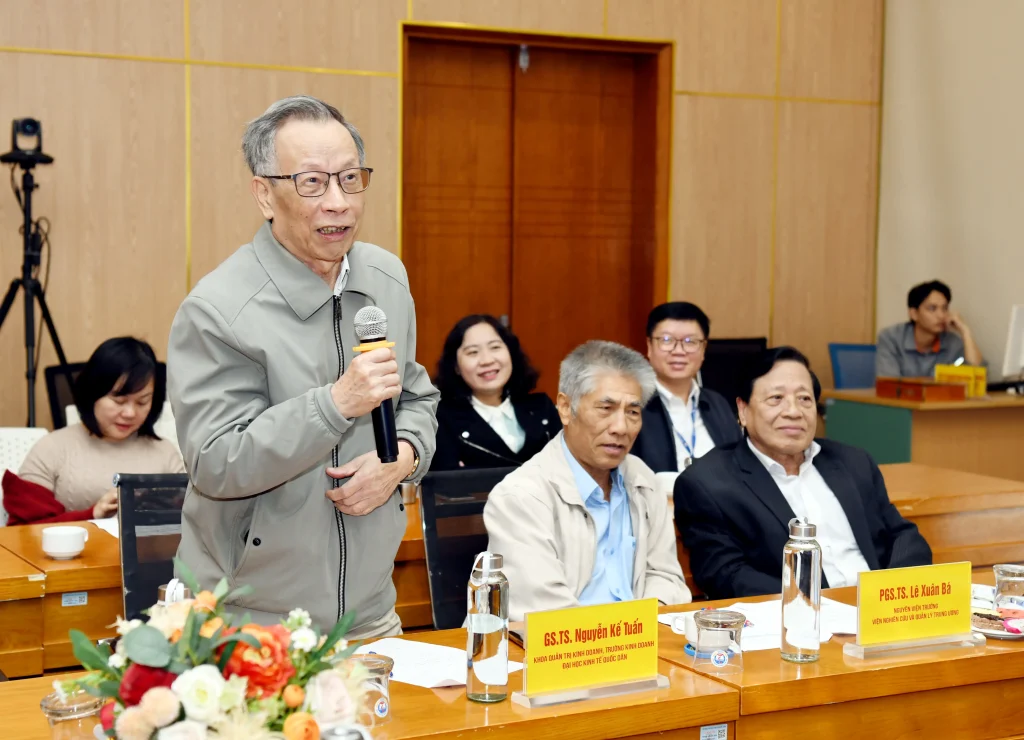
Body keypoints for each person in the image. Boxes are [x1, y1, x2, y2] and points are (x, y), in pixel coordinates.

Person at [167, 96, 439, 638]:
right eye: (312, 182)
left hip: (370, 616)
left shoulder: (386, 277)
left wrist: (403, 458)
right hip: (251, 622)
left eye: (350, 179)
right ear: (265, 194)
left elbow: (416, 397)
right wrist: (335, 405)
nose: (338, 203)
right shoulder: (217, 309)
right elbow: (217, 463)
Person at [675, 347, 931, 599]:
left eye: (804, 399)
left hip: (879, 608)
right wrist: (814, 605)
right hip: (799, 617)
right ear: (743, 410)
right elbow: (726, 575)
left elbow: (903, 535)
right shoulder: (707, 484)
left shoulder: (853, 462)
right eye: (776, 398)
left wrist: (890, 594)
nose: (793, 411)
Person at [484, 340, 690, 620]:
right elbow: (546, 613)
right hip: (564, 643)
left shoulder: (643, 479)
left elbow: (666, 577)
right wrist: (627, 632)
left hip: (640, 638)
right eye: (606, 408)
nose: (621, 428)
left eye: (632, 412)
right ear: (565, 408)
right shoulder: (519, 497)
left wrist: (646, 625)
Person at [4, 337, 184, 525]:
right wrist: (92, 515)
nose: (130, 413)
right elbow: (22, 532)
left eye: (142, 402)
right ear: (92, 393)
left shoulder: (165, 453)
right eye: (119, 401)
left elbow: (191, 521)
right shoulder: (51, 449)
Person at [631, 302, 742, 489]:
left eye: (690, 341)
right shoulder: (632, 404)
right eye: (667, 340)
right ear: (649, 345)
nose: (679, 351)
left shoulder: (718, 404)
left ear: (703, 349)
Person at [431, 314, 560, 470]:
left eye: (495, 347)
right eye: (473, 352)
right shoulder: (441, 420)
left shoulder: (542, 408)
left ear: (510, 353)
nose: (487, 360)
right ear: (456, 366)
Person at [876, 280, 984, 377]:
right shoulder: (891, 338)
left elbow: (977, 376)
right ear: (914, 314)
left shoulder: (952, 342)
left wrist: (965, 331)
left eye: (945, 308)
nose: (941, 315)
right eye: (932, 308)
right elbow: (888, 384)